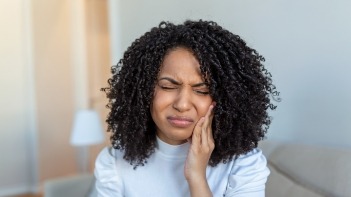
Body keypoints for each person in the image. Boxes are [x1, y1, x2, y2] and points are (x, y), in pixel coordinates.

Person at [95, 20, 279, 197]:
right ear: (142, 91)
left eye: (202, 90)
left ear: (226, 99)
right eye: (168, 86)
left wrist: (196, 176)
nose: (182, 104)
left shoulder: (243, 164)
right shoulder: (113, 163)